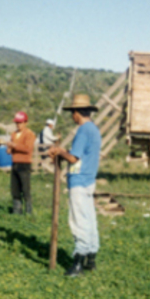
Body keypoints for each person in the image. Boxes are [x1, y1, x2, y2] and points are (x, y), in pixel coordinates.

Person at [48, 94, 101, 277]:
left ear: (77, 113)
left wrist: (58, 151)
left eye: (73, 112)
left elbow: (73, 157)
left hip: (79, 180)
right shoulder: (94, 129)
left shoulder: (83, 130)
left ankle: (78, 263)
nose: (72, 116)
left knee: (78, 222)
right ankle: (91, 258)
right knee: (89, 220)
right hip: (89, 180)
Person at [7, 111, 36, 214]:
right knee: (15, 188)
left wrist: (14, 146)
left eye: (20, 122)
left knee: (25, 189)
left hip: (24, 164)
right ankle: (17, 211)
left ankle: (28, 211)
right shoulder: (14, 134)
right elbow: (10, 150)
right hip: (15, 163)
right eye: (17, 122)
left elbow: (28, 148)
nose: (18, 124)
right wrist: (9, 148)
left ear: (25, 122)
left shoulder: (29, 134)